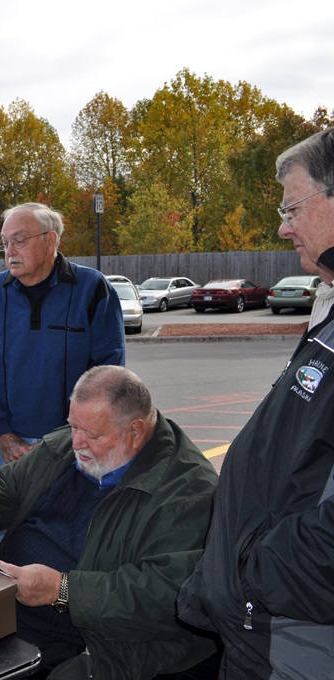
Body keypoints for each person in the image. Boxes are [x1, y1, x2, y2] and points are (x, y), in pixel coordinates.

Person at [0, 366, 219, 679]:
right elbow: (4, 487)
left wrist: (62, 591)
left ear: (136, 432)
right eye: (72, 425)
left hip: (103, 648)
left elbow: (166, 596)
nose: (75, 443)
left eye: (91, 435)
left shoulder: (188, 492)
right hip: (10, 618)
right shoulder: (67, 445)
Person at [178, 127, 334, 678]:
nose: (283, 224)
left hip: (291, 641)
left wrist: (250, 570)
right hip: (261, 628)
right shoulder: (331, 307)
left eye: (294, 206)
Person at [0, 202, 125, 474]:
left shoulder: (93, 289)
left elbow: (108, 378)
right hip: (5, 448)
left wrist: (64, 440)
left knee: (74, 516)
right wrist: (2, 434)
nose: (10, 252)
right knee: (8, 517)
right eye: (5, 243)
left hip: (76, 445)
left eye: (19, 240)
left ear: (50, 241)